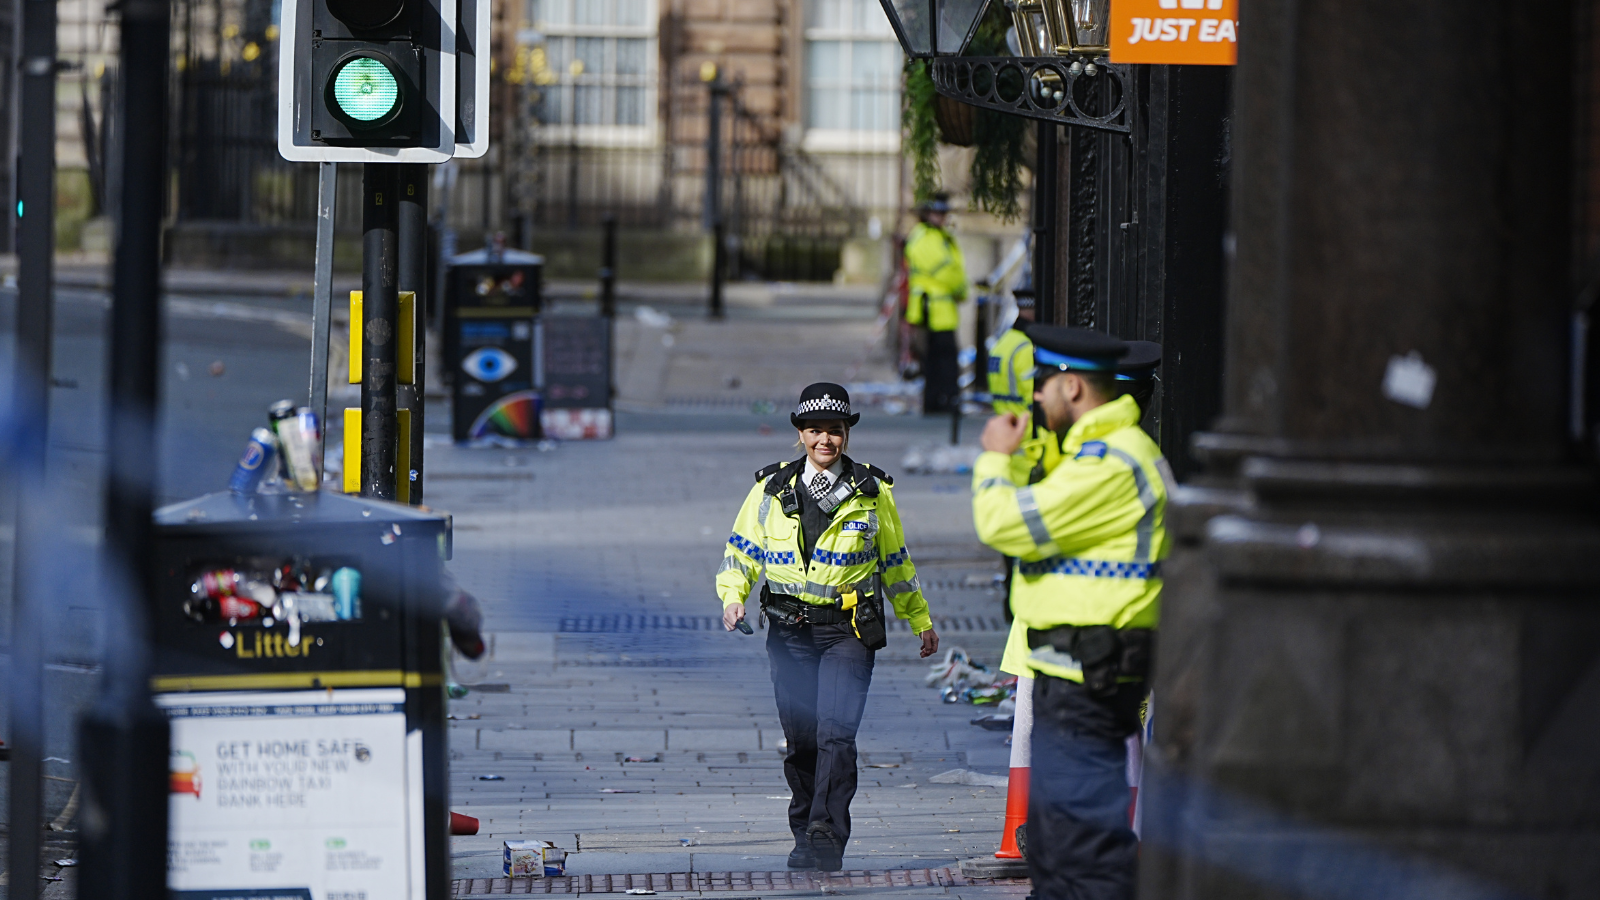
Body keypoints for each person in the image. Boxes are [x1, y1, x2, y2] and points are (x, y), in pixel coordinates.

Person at [970, 326, 1171, 900]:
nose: (1035, 395)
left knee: (1083, 847)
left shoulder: (1112, 463)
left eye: (1044, 383)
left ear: (1075, 388)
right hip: (1073, 670)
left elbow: (1003, 523)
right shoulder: (1097, 454)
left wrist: (995, 460)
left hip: (1091, 676)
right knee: (1057, 842)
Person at [716, 383, 941, 872]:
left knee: (837, 735)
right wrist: (733, 597)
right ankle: (804, 832)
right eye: (815, 430)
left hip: (849, 631)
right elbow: (742, 552)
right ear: (800, 433)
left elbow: (895, 562)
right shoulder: (770, 489)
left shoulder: (872, 492)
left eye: (835, 431)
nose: (825, 440)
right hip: (789, 632)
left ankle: (826, 833)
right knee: (802, 740)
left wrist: (919, 619)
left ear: (847, 434)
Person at [905, 194, 968, 414]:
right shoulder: (924, 237)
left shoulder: (940, 236)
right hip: (931, 309)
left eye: (943, 213)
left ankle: (941, 401)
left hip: (941, 309)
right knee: (941, 360)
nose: (941, 217)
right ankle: (943, 401)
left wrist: (960, 287)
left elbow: (953, 269)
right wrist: (961, 288)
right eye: (936, 213)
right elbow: (946, 271)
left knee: (940, 359)